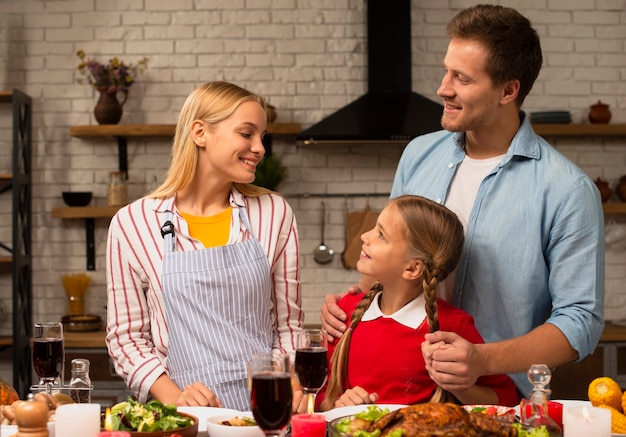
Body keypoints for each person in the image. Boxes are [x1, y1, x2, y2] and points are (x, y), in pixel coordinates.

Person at [320, 4, 605, 398]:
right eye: (446, 70)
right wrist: (350, 302)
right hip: (401, 397)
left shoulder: (567, 191)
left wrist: (482, 361)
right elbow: (399, 254)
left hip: (497, 405)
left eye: (462, 78)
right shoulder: (419, 155)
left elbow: (580, 323)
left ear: (508, 90)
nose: (443, 88)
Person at [105, 81, 304, 410]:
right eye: (246, 133)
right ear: (200, 132)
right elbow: (126, 337)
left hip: (265, 409)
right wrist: (177, 400)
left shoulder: (274, 213)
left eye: (262, 137)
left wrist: (289, 385)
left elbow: (288, 326)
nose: (260, 148)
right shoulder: (133, 223)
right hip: (183, 415)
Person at [317, 196, 519, 410]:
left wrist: (459, 387)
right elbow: (319, 393)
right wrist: (337, 405)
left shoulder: (452, 325)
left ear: (412, 269)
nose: (364, 236)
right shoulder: (344, 312)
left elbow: (506, 397)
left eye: (381, 235)